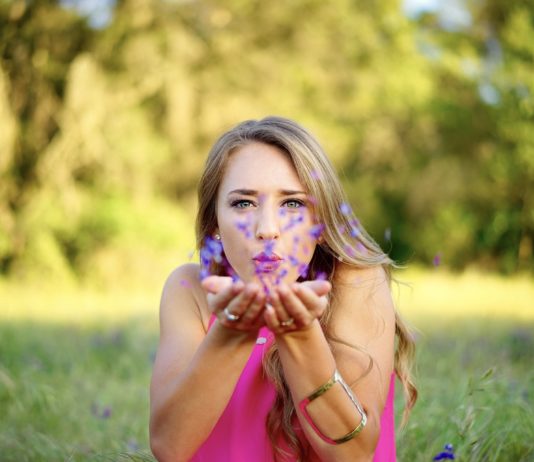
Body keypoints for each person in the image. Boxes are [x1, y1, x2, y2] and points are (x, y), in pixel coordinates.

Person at [149, 116, 417, 462]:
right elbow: (169, 447)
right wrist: (232, 333)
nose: (267, 229)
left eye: (292, 203)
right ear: (214, 221)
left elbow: (353, 453)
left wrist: (300, 335)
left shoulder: (355, 281)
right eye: (243, 203)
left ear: (321, 223)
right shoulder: (190, 290)